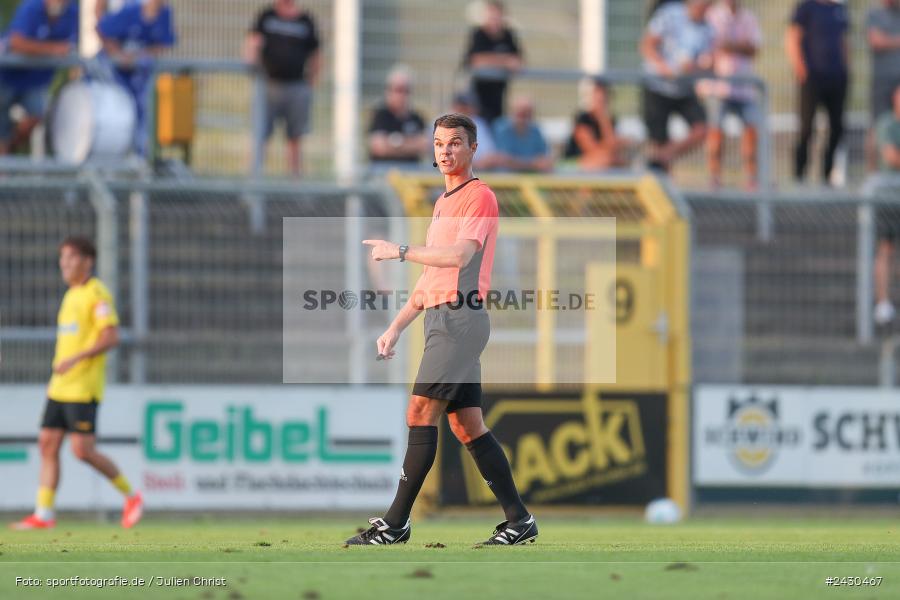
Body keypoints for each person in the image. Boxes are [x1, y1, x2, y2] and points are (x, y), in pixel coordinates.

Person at [350, 113, 537, 547]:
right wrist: (396, 327)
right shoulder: (442, 203)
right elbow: (431, 278)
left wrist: (399, 250)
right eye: (439, 143)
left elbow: (458, 257)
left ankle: (395, 524)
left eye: (455, 142)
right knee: (468, 426)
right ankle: (519, 520)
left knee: (419, 413)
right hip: (444, 318)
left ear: (473, 149)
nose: (446, 150)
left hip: (460, 319)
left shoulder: (480, 196)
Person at [11, 238, 143, 530]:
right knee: (47, 444)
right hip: (60, 387)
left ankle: (131, 496)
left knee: (82, 450)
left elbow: (111, 336)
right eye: (62, 258)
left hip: (83, 388)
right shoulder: (71, 295)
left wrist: (76, 359)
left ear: (88, 261)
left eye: (71, 257)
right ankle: (44, 514)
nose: (65, 263)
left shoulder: (96, 293)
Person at [244, 0, 321, 176]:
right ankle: (253, 181)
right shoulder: (267, 16)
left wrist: (311, 83)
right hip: (269, 86)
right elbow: (252, 44)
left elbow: (316, 54)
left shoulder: (305, 21)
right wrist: (253, 66)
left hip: (296, 87)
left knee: (295, 138)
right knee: (260, 134)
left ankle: (295, 183)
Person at [640, 0, 713, 174]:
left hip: (684, 88)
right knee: (659, 139)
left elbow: (709, 62)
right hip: (657, 86)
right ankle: (662, 176)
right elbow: (647, 45)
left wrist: (696, 67)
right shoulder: (670, 14)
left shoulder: (708, 28)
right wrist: (664, 68)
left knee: (701, 129)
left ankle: (659, 159)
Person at [97, 0, 176, 157]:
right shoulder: (130, 10)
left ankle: (141, 157)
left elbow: (162, 44)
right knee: (117, 112)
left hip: (138, 78)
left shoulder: (164, 13)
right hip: (116, 75)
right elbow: (102, 29)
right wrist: (118, 55)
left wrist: (140, 56)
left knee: (145, 111)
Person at [0, 0, 78, 155]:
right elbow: (16, 43)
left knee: (35, 117)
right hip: (6, 78)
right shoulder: (31, 7)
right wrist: (52, 49)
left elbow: (71, 48)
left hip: (35, 82)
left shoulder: (72, 13)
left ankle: (7, 150)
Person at [786, 0, 850, 185]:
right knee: (806, 128)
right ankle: (799, 175)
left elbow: (844, 41)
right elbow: (793, 37)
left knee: (837, 127)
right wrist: (801, 69)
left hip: (836, 78)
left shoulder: (839, 10)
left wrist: (846, 69)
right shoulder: (806, 8)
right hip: (812, 79)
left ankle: (826, 175)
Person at [703, 0, 762, 190]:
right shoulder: (712, 16)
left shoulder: (749, 17)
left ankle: (751, 178)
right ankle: (714, 177)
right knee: (715, 131)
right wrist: (739, 46)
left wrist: (732, 46)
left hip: (744, 87)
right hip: (718, 87)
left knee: (752, 129)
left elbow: (753, 48)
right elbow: (712, 46)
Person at [463, 0, 522, 125]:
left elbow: (517, 62)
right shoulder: (479, 34)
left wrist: (492, 61)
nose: (494, 20)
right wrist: (504, 60)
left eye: (497, 16)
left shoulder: (508, 35)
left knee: (497, 123)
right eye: (491, 16)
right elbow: (476, 60)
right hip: (479, 93)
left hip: (499, 92)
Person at [874, 84, 900, 324]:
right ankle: (883, 302)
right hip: (890, 198)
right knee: (886, 248)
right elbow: (891, 157)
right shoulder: (887, 125)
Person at [564, 78, 630, 170]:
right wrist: (616, 144)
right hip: (573, 163)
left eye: (603, 99)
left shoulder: (610, 120)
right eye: (598, 98)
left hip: (600, 162)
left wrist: (604, 120)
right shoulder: (583, 119)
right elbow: (593, 150)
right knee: (606, 159)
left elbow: (612, 148)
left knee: (619, 161)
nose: (601, 102)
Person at [367, 66, 428, 166]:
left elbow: (424, 145)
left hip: (410, 172)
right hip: (384, 171)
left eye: (406, 90)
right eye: (398, 90)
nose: (402, 95)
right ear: (388, 91)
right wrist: (411, 144)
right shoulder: (380, 115)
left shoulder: (417, 118)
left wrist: (394, 143)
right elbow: (379, 147)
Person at [866, 0, 900, 172]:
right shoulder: (874, 14)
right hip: (882, 80)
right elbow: (876, 41)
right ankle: (872, 175)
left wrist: (889, 40)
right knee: (876, 126)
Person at [492, 95, 552, 173]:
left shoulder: (535, 131)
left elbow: (545, 159)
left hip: (532, 177)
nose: (524, 119)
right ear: (512, 112)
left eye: (528, 114)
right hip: (505, 178)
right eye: (521, 114)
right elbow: (502, 160)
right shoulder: (501, 128)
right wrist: (532, 164)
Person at [451, 90, 503, 171]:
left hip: (477, 171)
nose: (463, 109)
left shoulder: (479, 124)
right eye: (460, 106)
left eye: (466, 106)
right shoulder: (443, 122)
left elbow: (490, 154)